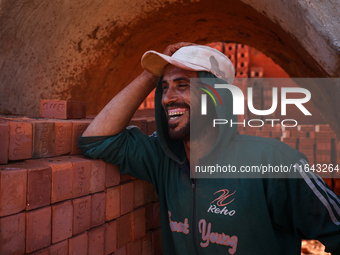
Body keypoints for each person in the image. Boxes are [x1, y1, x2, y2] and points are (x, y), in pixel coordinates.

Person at [79, 43, 340, 255]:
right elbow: (96, 141)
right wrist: (150, 74)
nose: (168, 98)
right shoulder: (163, 158)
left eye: (183, 85)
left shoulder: (272, 161)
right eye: (164, 88)